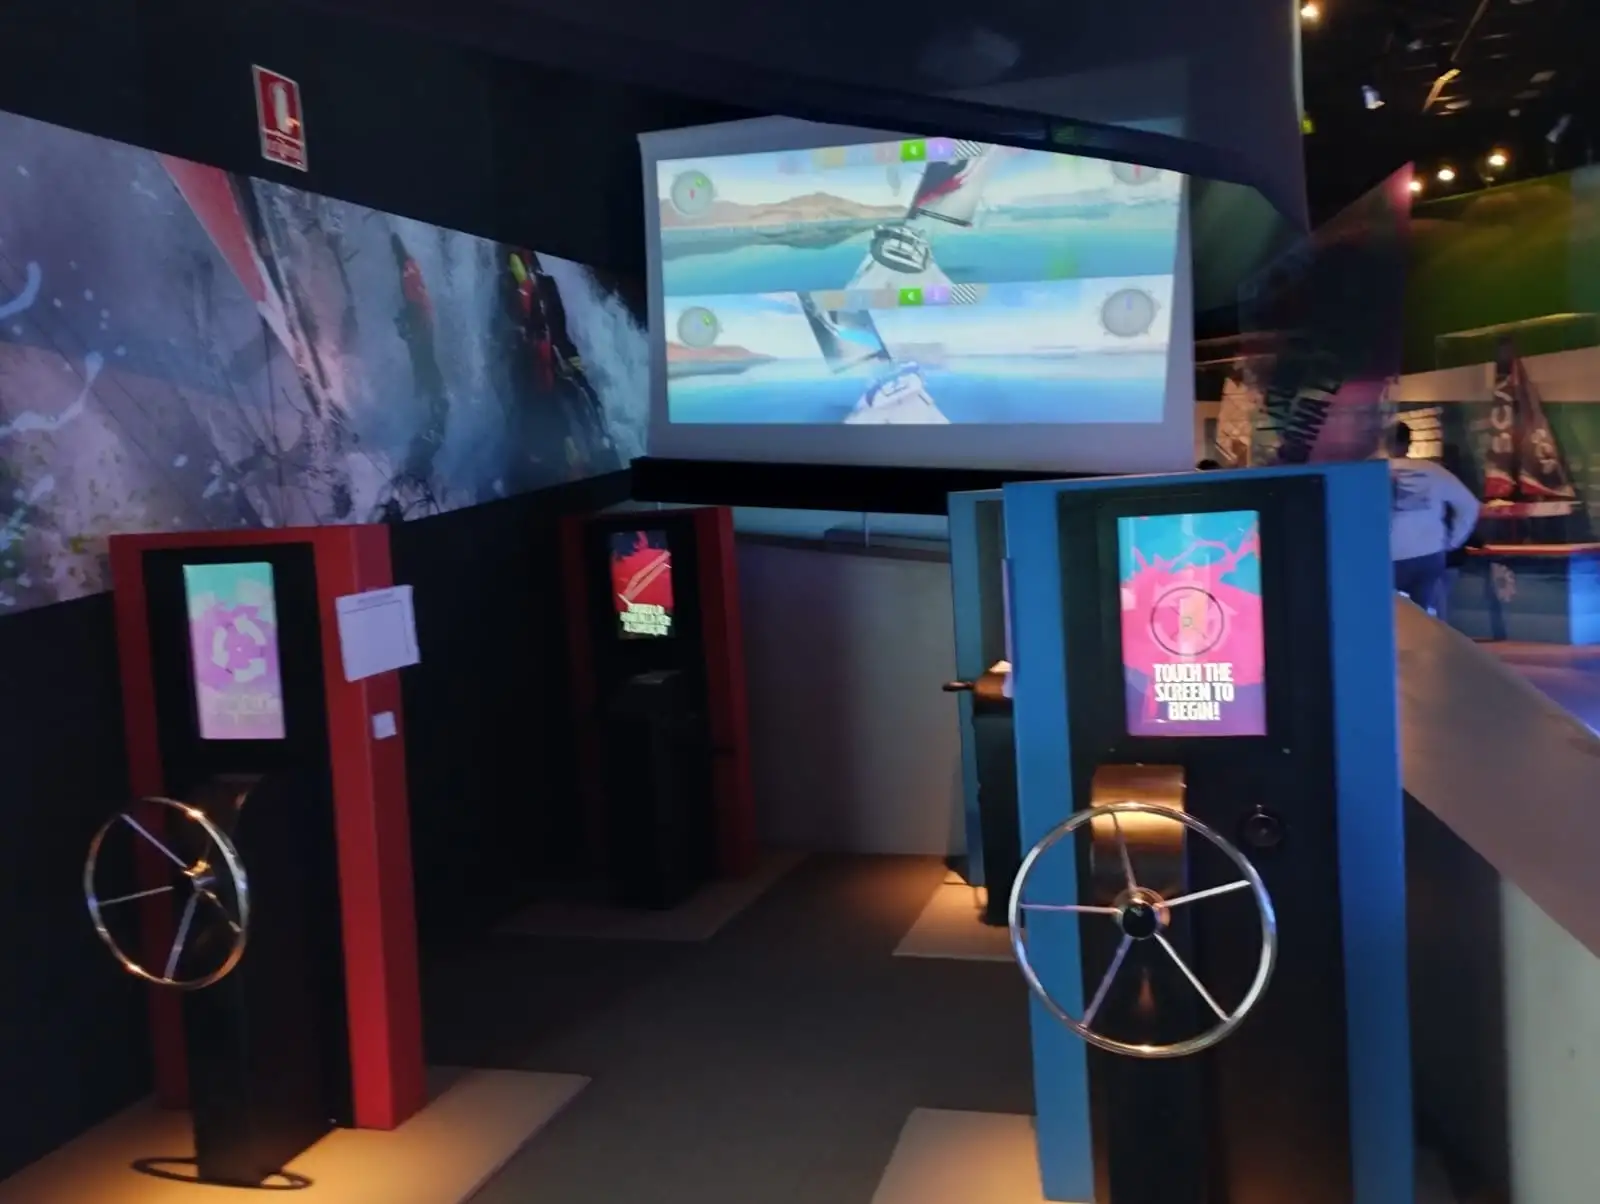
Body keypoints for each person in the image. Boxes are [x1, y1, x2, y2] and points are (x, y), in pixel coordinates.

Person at [1389, 422, 1480, 611]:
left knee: (1389, 615)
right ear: (1409, 443)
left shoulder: (1371, 473)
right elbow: (1469, 505)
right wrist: (1452, 541)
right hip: (1429, 554)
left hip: (1387, 556)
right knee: (1428, 614)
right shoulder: (1433, 471)